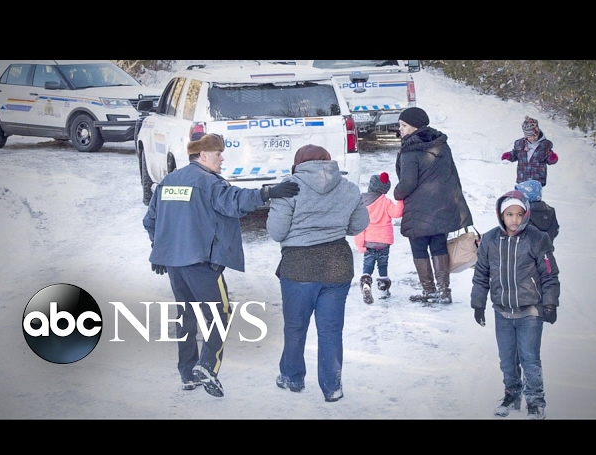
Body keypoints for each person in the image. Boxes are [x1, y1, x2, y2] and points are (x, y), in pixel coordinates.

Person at [142, 132, 300, 398]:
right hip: (202, 263)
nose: (222, 159)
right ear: (203, 155)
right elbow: (235, 201)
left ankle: (187, 373)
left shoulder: (169, 181)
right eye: (218, 154)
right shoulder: (209, 183)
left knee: (186, 316)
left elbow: (151, 221)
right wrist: (268, 193)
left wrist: (159, 250)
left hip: (175, 265)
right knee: (220, 315)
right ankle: (206, 366)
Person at [266, 144, 369, 402]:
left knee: (295, 327)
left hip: (298, 266)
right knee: (331, 330)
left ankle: (292, 378)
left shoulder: (288, 188)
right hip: (338, 264)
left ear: (298, 163)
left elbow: (277, 231)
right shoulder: (348, 187)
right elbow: (359, 224)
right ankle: (332, 387)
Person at [471, 190, 560, 420]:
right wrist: (478, 304)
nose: (514, 219)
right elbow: (481, 275)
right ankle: (512, 395)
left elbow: (549, 275)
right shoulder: (490, 240)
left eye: (519, 214)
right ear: (501, 215)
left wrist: (550, 304)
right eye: (509, 214)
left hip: (530, 311)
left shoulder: (537, 239)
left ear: (526, 214)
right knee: (507, 359)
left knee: (530, 358)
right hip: (502, 311)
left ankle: (535, 402)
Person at [392, 107, 474, 304]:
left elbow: (407, 183)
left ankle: (429, 291)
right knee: (439, 245)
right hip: (442, 207)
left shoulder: (410, 150)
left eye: (404, 125)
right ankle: (444, 291)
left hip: (418, 211)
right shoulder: (441, 145)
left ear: (415, 126)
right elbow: (453, 176)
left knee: (419, 248)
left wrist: (396, 193)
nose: (400, 129)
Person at [353, 172, 404, 303]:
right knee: (383, 264)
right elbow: (397, 213)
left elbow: (359, 225)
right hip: (383, 242)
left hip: (368, 241)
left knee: (368, 264)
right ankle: (383, 288)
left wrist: (360, 244)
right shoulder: (386, 202)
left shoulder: (361, 203)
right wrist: (400, 200)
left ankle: (366, 283)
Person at [501, 116, 559, 187]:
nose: (532, 138)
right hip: (522, 179)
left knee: (533, 194)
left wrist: (552, 158)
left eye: (534, 135)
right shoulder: (520, 144)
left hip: (537, 181)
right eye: (529, 136)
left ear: (538, 132)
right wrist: (509, 155)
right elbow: (515, 154)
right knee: (521, 194)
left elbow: (548, 158)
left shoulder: (544, 146)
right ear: (525, 135)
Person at [515, 179, 559, 244]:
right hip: (546, 248)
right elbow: (555, 230)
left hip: (525, 249)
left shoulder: (522, 212)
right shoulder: (550, 211)